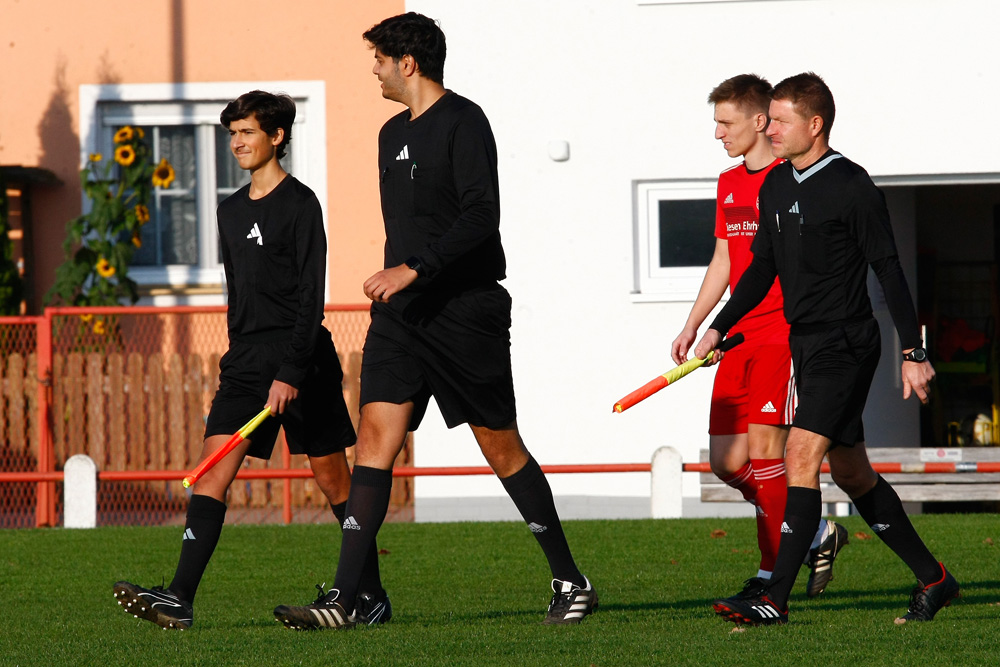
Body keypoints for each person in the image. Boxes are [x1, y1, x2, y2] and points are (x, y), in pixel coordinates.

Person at [272, 12, 596, 630]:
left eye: (378, 59)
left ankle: (570, 579)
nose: (373, 69)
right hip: (401, 316)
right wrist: (401, 282)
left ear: (408, 61)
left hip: (463, 309)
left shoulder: (465, 122)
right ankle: (353, 598)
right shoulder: (389, 133)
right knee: (374, 440)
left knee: (499, 445)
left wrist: (412, 268)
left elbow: (481, 217)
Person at [113, 90, 388, 630]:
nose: (237, 142)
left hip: (302, 358)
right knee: (213, 470)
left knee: (334, 481)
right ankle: (179, 597)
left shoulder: (301, 204)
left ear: (277, 136)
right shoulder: (229, 209)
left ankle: (369, 596)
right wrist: (238, 357)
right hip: (245, 364)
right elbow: (236, 292)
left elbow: (313, 297)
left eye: (247, 133)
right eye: (232, 133)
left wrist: (290, 372)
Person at [696, 73, 959, 626]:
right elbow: (760, 266)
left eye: (783, 120)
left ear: (815, 125)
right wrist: (721, 325)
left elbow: (888, 268)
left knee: (798, 457)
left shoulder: (851, 184)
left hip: (846, 343)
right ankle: (935, 579)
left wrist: (912, 352)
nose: (772, 128)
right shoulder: (775, 186)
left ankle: (775, 597)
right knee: (854, 473)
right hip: (807, 343)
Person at [672, 74, 847, 602]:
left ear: (759, 121)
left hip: (780, 336)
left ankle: (773, 575)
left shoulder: (789, 177)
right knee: (726, 462)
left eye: (726, 123)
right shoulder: (729, 183)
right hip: (735, 338)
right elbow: (724, 259)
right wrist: (695, 324)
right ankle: (814, 531)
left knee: (769, 454)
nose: (719, 133)